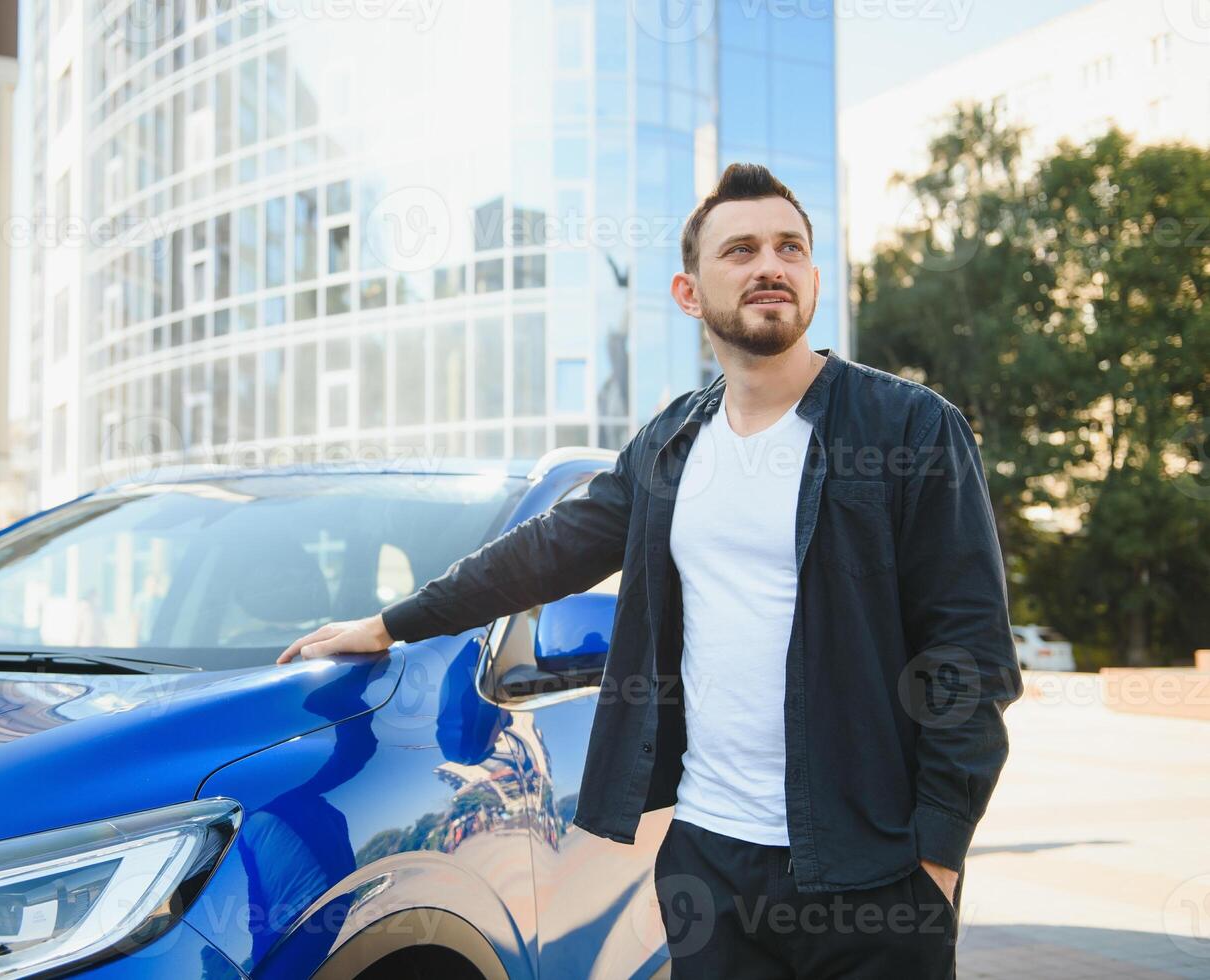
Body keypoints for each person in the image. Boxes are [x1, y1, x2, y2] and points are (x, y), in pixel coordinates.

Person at [277, 162, 1021, 978]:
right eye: (740, 249)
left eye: (789, 247)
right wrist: (391, 623)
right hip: (711, 864)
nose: (770, 264)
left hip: (874, 871)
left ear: (811, 276)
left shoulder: (910, 428)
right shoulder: (670, 446)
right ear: (689, 292)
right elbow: (545, 551)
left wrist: (937, 860)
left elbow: (969, 657)